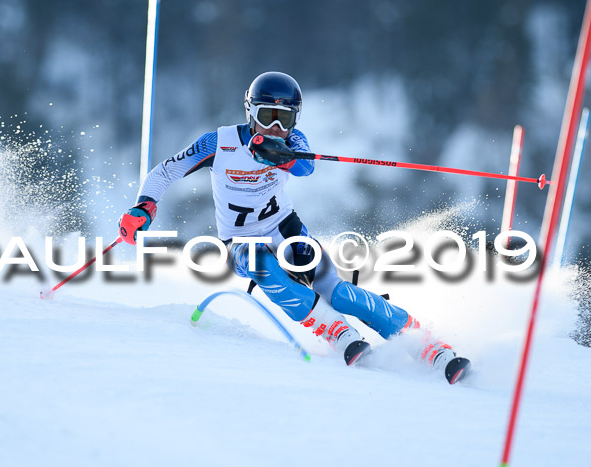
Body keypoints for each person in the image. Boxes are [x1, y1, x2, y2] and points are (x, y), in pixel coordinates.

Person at [119, 71, 470, 383]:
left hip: (286, 229)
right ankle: (336, 332)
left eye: (283, 119)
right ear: (249, 112)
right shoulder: (220, 143)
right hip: (239, 241)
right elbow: (166, 171)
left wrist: (279, 152)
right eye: (266, 116)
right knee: (264, 267)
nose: (275, 127)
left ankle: (427, 345)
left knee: (339, 292)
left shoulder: (294, 141)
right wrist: (144, 206)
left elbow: (305, 169)